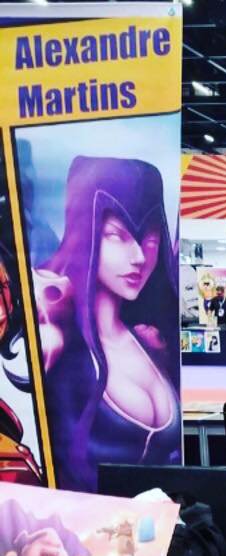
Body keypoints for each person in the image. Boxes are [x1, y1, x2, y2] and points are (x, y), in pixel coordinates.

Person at [33, 156, 180, 492]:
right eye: (116, 236)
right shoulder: (56, 342)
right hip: (79, 519)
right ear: (86, 232)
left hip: (154, 519)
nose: (139, 257)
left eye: (151, 240)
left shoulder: (149, 340)